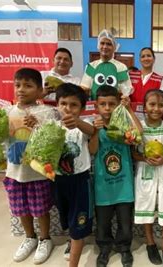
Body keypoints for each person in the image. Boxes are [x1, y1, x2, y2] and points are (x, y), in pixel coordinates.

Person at [4, 68, 56, 264]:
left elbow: (52, 139)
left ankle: (45, 239)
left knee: (40, 208)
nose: (21, 90)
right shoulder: (7, 112)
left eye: (28, 85)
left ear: (39, 89)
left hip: (37, 172)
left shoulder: (46, 112)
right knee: (21, 208)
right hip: (14, 171)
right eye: (17, 85)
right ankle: (30, 237)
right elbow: (1, 138)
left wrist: (38, 125)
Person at [89, 85, 142, 267]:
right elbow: (93, 150)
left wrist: (128, 109)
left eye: (111, 104)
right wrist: (95, 131)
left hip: (124, 185)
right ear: (96, 106)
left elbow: (140, 133)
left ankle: (124, 247)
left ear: (117, 104)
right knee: (102, 222)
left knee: (125, 222)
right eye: (102, 104)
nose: (107, 108)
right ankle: (104, 247)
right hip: (103, 186)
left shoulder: (125, 125)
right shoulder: (94, 126)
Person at [52, 83, 95, 266]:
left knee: (79, 222)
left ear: (82, 108)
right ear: (57, 105)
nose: (67, 108)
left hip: (80, 181)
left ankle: (73, 264)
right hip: (57, 180)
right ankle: (72, 240)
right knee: (67, 219)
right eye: (63, 103)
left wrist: (78, 123)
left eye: (73, 105)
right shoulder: (52, 127)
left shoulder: (85, 126)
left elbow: (93, 140)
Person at [132, 89, 163, 266]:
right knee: (146, 207)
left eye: (160, 105)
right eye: (152, 104)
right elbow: (134, 153)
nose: (156, 109)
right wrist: (144, 158)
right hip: (145, 171)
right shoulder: (139, 128)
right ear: (144, 107)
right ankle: (150, 243)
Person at [81, 29, 132, 100]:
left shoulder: (121, 67)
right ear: (98, 45)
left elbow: (126, 90)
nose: (105, 47)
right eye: (102, 43)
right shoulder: (91, 66)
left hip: (115, 108)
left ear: (114, 47)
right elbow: (85, 88)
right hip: (95, 107)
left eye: (109, 44)